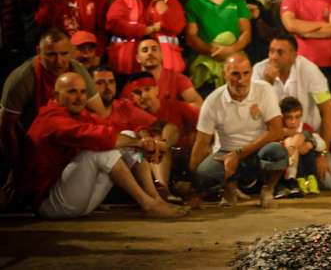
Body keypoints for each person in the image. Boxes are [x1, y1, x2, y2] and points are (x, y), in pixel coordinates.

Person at [22, 72, 188, 220]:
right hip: (50, 205)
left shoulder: (80, 114)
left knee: (127, 137)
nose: (79, 97)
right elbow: (100, 136)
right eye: (72, 92)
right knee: (100, 150)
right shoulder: (51, 119)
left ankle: (156, 200)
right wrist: (141, 144)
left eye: (82, 92)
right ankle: (148, 205)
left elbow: (117, 130)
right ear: (57, 96)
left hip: (76, 201)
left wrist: (146, 141)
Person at [1, 29, 104, 194]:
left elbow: (99, 114)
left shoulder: (77, 70)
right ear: (38, 52)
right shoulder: (21, 79)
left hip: (70, 142)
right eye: (51, 54)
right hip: (33, 150)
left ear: (70, 51)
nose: (59, 61)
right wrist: (16, 171)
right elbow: (5, 128)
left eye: (64, 53)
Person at [191, 52, 286, 209]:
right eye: (235, 74)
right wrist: (195, 191)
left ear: (251, 73)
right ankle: (229, 186)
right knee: (205, 175)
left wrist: (239, 154)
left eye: (246, 73)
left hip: (256, 152)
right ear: (224, 75)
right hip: (226, 154)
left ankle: (268, 190)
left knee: (277, 152)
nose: (241, 80)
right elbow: (200, 146)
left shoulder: (264, 90)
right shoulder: (212, 101)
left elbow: (277, 132)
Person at [251, 35, 331, 190]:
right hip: (274, 140)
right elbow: (253, 116)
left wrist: (323, 153)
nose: (273, 57)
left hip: (308, 141)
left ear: (293, 56)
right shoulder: (258, 71)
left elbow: (328, 111)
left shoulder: (308, 69)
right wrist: (266, 85)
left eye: (280, 52)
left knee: (328, 182)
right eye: (271, 51)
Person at [124, 71, 199, 199]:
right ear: (132, 96)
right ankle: (164, 191)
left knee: (189, 189)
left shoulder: (177, 106)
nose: (143, 96)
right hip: (147, 168)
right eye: (138, 92)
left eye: (147, 89)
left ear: (157, 90)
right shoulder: (127, 111)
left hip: (182, 164)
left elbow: (207, 124)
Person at [183, 0, 251, 93]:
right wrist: (214, 52)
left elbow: (246, 33)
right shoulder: (194, 3)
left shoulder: (238, 2)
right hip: (206, 72)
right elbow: (190, 36)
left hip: (235, 69)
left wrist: (231, 51)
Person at [106, 0, 187, 76]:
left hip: (167, 69)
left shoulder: (169, 1)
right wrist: (148, 29)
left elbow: (177, 25)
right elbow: (114, 23)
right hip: (130, 69)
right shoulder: (123, 1)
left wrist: (158, 0)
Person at [118, 37, 203, 108]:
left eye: (154, 49)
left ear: (162, 55)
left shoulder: (178, 78)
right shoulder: (130, 85)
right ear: (138, 58)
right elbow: (123, 112)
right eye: (145, 50)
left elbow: (198, 104)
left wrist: (173, 113)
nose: (150, 53)